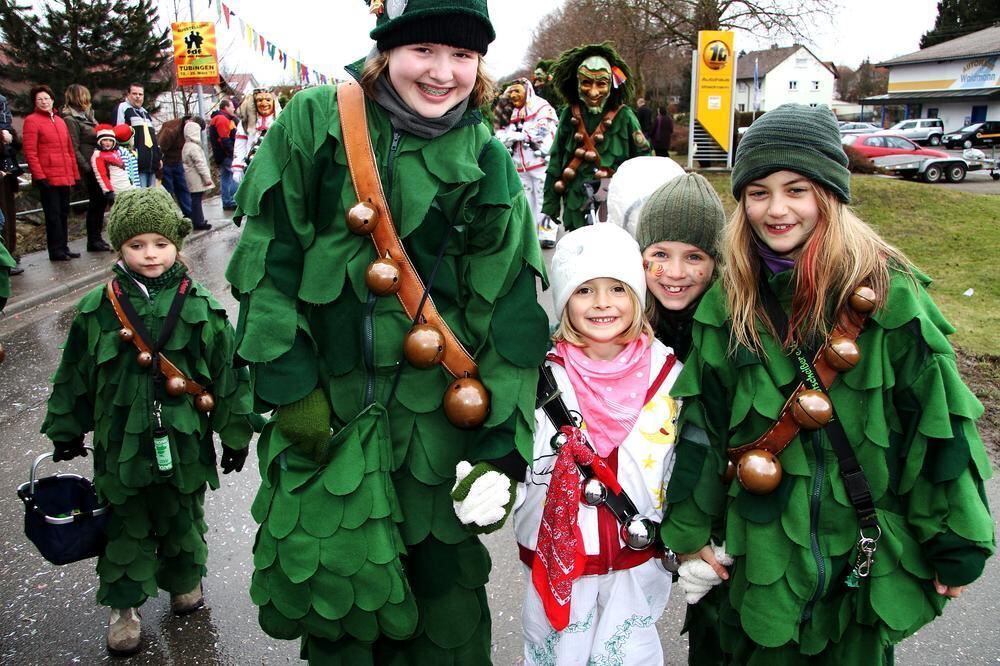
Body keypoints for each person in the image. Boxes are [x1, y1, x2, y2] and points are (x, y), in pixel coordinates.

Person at [225, 0, 549, 662]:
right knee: (339, 602)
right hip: (328, 417)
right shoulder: (315, 123)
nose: (442, 72)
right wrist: (290, 387)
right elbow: (268, 256)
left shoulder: (489, 162)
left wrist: (501, 450)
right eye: (423, 50)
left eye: (462, 55)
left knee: (445, 611)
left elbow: (510, 315)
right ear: (386, 51)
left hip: (438, 430)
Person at [661, 104, 995, 665]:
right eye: (759, 191)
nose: (777, 209)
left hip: (856, 561)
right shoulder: (728, 300)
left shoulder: (892, 296)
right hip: (754, 560)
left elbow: (936, 425)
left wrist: (953, 539)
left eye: (797, 189)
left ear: (830, 194)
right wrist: (689, 530)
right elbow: (703, 428)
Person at [39, 187, 255, 656]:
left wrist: (235, 432)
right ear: (120, 248)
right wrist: (66, 428)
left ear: (177, 242)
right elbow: (74, 372)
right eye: (136, 245)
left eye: (159, 243)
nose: (150, 254)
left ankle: (183, 581)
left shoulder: (199, 305)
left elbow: (227, 372)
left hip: (184, 439)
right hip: (120, 440)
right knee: (125, 521)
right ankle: (124, 608)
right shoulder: (98, 308)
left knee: (182, 511)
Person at [506, 223, 680, 665]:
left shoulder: (669, 375)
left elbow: (679, 460)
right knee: (557, 650)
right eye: (584, 291)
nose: (603, 303)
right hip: (558, 556)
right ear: (565, 301)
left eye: (618, 289)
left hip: (636, 552)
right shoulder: (542, 378)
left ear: (638, 297)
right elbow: (520, 459)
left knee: (629, 653)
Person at [542, 42, 650, 232]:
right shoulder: (570, 114)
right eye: (586, 82)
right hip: (575, 203)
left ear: (611, 84)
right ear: (576, 83)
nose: (593, 92)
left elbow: (643, 162)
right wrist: (550, 205)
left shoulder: (625, 117)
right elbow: (557, 159)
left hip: (615, 204)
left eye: (601, 83)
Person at [494, 78, 558, 248]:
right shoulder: (509, 110)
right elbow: (500, 131)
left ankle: (547, 233)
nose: (514, 95)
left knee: (543, 198)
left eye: (517, 91)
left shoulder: (541, 107)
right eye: (511, 92)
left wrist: (520, 135)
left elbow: (543, 129)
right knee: (524, 200)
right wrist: (506, 138)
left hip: (540, 163)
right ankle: (529, 234)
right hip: (519, 165)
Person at [22, 84, 80, 261]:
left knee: (63, 213)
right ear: (35, 102)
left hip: (64, 174)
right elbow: (30, 151)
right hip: (48, 175)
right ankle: (55, 250)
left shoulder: (60, 121)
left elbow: (69, 150)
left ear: (52, 100)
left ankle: (64, 246)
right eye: (40, 99)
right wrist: (39, 176)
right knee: (53, 215)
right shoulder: (32, 121)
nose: (44, 102)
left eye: (46, 98)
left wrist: (74, 174)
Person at [62, 83, 113, 251]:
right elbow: (73, 146)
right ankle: (93, 239)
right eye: (84, 96)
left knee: (101, 202)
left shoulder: (88, 116)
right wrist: (87, 167)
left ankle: (97, 238)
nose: (88, 99)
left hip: (100, 164)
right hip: (90, 166)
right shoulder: (71, 119)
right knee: (96, 202)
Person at [232, 88, 281, 184]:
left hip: (275, 168)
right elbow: (240, 145)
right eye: (259, 100)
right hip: (252, 168)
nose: (264, 104)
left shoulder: (281, 120)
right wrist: (238, 167)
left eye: (268, 100)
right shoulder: (245, 123)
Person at [118, 83, 160, 187]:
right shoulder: (123, 109)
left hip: (151, 163)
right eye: (134, 93)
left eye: (140, 94)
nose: (138, 97)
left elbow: (153, 138)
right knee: (141, 197)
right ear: (128, 94)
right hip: (136, 164)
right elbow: (118, 134)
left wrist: (158, 157)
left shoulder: (144, 113)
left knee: (153, 197)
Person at [0, 91, 22, 275]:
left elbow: (16, 144)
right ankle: (5, 258)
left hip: (8, 173)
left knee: (9, 216)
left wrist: (10, 136)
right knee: (3, 218)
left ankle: (10, 254)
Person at [155, 115, 194, 218]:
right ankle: (171, 215)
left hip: (177, 161)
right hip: (166, 162)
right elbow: (160, 147)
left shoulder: (188, 130)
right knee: (169, 189)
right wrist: (159, 163)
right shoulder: (171, 130)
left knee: (183, 188)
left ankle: (189, 214)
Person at [181, 119, 213, 230]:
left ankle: (197, 220)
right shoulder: (194, 148)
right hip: (196, 177)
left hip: (189, 176)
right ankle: (199, 221)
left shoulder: (186, 146)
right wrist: (207, 178)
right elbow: (200, 164)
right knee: (197, 200)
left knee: (195, 199)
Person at [90, 124, 131, 203]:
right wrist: (108, 191)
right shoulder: (98, 155)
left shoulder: (115, 152)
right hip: (115, 188)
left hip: (126, 185)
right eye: (105, 140)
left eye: (110, 140)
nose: (108, 143)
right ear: (100, 141)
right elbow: (101, 175)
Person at [208, 99, 237, 210]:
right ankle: (233, 200)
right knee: (236, 176)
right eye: (232, 106)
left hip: (220, 155)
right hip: (226, 155)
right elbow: (224, 139)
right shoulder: (222, 119)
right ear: (225, 107)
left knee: (225, 178)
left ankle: (227, 201)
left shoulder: (215, 119)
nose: (234, 108)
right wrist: (233, 153)